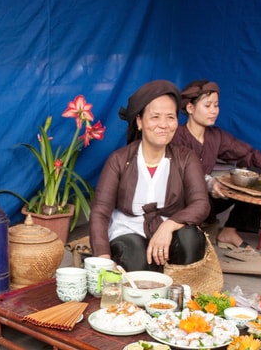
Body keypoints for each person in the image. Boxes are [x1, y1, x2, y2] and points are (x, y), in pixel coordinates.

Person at [89, 80, 210, 271]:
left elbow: (201, 203)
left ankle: (179, 288)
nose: (164, 125)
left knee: (191, 240)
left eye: (170, 117)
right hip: (128, 230)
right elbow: (100, 211)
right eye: (155, 117)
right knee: (135, 258)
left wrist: (169, 226)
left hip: (168, 228)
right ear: (139, 121)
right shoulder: (119, 160)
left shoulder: (185, 158)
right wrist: (103, 257)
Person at [173, 79, 261, 250]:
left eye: (216, 105)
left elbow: (247, 154)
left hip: (208, 199)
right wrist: (208, 182)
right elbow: (181, 169)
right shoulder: (177, 136)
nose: (214, 111)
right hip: (184, 200)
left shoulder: (216, 136)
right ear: (190, 108)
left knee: (254, 174)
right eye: (208, 106)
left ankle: (229, 231)